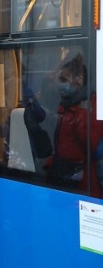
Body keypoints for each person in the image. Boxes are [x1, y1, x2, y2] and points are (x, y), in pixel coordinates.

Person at [44, 53, 103, 196]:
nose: (60, 84)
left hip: (82, 185)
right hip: (65, 179)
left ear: (78, 81)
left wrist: (80, 115)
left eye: (63, 79)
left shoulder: (90, 105)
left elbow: (92, 143)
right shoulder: (67, 104)